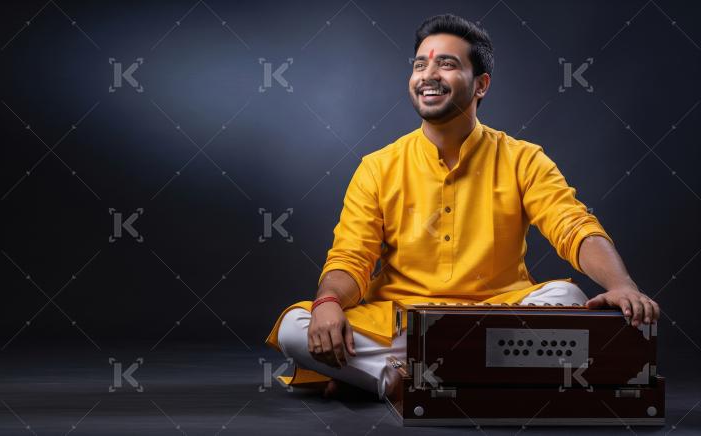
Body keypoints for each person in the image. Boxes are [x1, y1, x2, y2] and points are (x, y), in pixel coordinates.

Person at [265, 13, 659, 399]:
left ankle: (394, 379)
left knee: (564, 299)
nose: (428, 75)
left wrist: (622, 285)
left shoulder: (523, 159)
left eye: (447, 64)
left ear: (481, 84)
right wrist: (328, 302)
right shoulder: (378, 167)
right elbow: (351, 258)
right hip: (402, 322)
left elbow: (573, 227)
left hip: (498, 314)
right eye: (420, 65)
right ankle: (452, 375)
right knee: (297, 327)